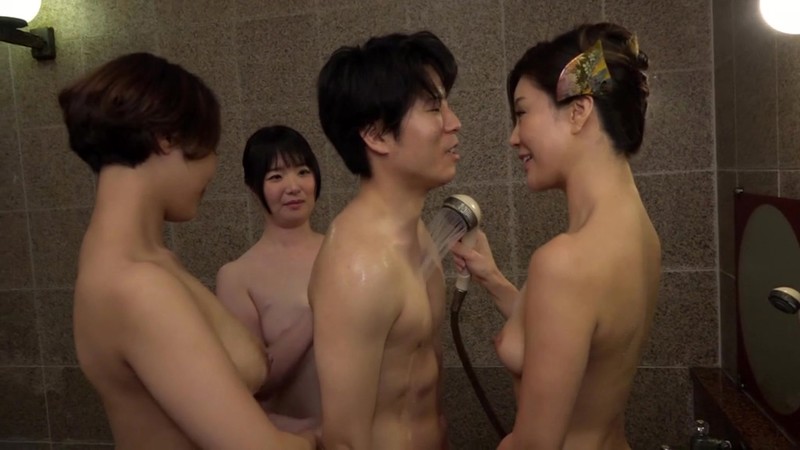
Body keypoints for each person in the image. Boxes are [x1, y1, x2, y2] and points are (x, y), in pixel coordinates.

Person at [60, 52, 315, 450]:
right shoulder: (137, 285)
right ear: (166, 138)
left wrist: (307, 429)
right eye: (210, 147)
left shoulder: (146, 261)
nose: (212, 167)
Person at [451, 22, 661, 450]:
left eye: (522, 113)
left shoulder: (566, 262)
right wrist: (493, 279)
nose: (513, 138)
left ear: (578, 112)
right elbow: (573, 334)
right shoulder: (639, 236)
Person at [310, 30, 462, 450]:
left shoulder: (418, 234)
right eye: (434, 107)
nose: (454, 122)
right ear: (376, 134)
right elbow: (344, 441)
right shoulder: (356, 266)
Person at [216, 125, 324, 433]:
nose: (293, 187)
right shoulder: (237, 276)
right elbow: (254, 381)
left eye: (303, 172)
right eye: (276, 177)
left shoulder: (344, 252)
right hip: (299, 438)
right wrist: (318, 311)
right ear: (254, 188)